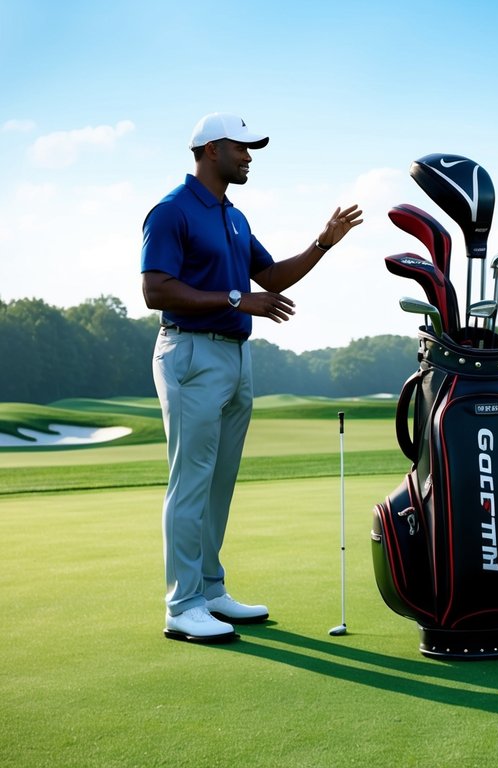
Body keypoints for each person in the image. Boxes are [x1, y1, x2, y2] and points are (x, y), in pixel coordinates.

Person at [141, 113, 363, 643]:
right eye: (241, 149)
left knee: (219, 483)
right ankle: (183, 604)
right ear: (211, 149)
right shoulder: (172, 211)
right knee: (191, 482)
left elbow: (270, 277)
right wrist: (239, 299)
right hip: (191, 352)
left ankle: (210, 590)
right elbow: (156, 291)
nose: (248, 157)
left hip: (236, 358)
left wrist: (322, 242)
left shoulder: (233, 217)